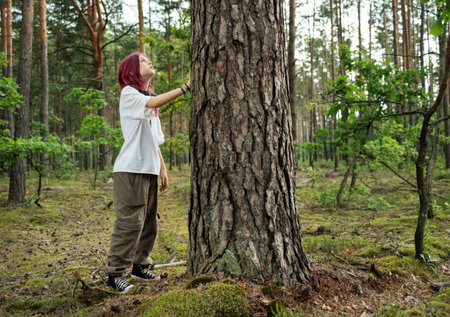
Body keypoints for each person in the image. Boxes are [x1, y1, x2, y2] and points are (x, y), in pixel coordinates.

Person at [106, 52, 190, 293]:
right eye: (143, 60)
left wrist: (161, 167)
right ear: (131, 70)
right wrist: (185, 88)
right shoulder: (129, 94)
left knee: (149, 222)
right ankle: (115, 274)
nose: (150, 61)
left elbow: (154, 140)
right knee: (130, 223)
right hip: (130, 168)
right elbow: (155, 103)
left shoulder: (147, 97)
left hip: (148, 169)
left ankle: (140, 265)